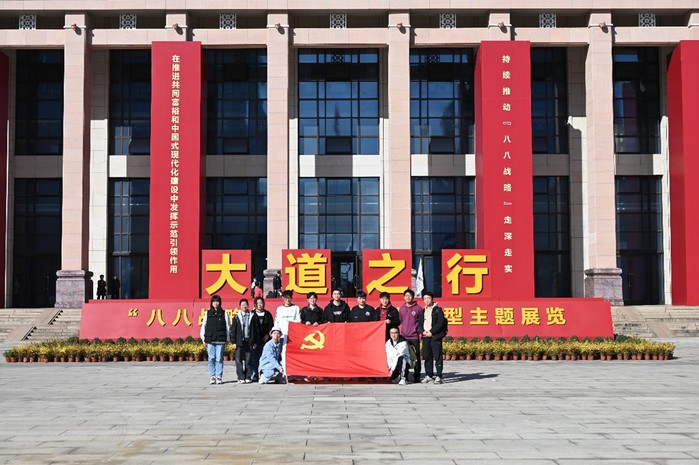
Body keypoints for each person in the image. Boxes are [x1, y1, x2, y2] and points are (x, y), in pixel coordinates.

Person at [200, 295, 231, 385]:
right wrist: (203, 338)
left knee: (219, 358)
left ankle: (219, 376)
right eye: (214, 301)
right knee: (211, 358)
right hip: (210, 339)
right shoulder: (208, 313)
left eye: (217, 301)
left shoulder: (224, 313)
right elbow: (203, 326)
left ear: (220, 303)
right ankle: (212, 376)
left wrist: (227, 338)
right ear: (211, 303)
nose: (215, 303)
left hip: (220, 339)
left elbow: (228, 327)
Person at [418, 291, 448, 385]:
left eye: (428, 298)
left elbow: (440, 323)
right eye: (425, 299)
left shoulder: (438, 310)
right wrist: (422, 331)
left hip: (435, 337)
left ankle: (439, 375)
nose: (427, 300)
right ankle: (429, 375)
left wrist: (431, 332)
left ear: (432, 299)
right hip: (425, 336)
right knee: (427, 356)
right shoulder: (423, 311)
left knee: (437, 356)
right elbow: (419, 323)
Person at [398, 288, 423, 383]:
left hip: (414, 336)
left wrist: (418, 332)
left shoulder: (418, 308)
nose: (408, 297)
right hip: (404, 336)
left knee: (416, 357)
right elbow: (400, 321)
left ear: (413, 297)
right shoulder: (402, 308)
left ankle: (417, 375)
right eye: (406, 296)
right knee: (405, 356)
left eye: (410, 296)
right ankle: (405, 375)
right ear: (404, 297)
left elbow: (420, 322)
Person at [231, 298, 257, 384]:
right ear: (240, 306)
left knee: (248, 360)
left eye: (245, 305)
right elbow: (233, 330)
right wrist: (233, 342)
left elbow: (255, 330)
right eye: (242, 305)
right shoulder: (236, 317)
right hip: (239, 342)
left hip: (249, 341)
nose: (244, 306)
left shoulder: (252, 316)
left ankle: (248, 376)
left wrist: (254, 341)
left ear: (248, 306)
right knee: (238, 360)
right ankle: (241, 377)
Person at [250, 296, 274, 382]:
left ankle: (264, 374)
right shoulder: (251, 314)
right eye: (258, 303)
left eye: (261, 303)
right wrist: (252, 341)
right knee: (255, 359)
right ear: (255, 304)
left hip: (266, 340)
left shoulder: (268, 314)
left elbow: (271, 327)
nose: (260, 305)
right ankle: (255, 375)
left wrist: (268, 335)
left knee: (265, 358)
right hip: (255, 341)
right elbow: (250, 328)